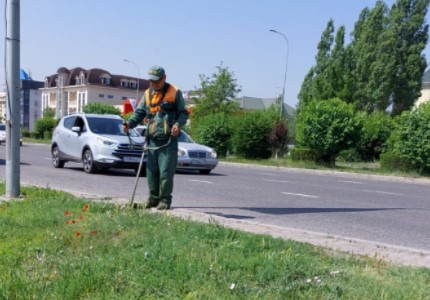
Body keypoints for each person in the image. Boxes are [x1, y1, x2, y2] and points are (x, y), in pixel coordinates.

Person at [123, 66, 189, 210]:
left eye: (156, 81)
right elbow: (139, 112)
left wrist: (178, 124)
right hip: (152, 139)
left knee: (165, 172)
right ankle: (153, 199)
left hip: (168, 141)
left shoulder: (174, 92)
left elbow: (184, 113)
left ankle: (165, 201)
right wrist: (130, 124)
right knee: (151, 172)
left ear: (164, 78)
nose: (153, 84)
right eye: (151, 81)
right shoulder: (147, 94)